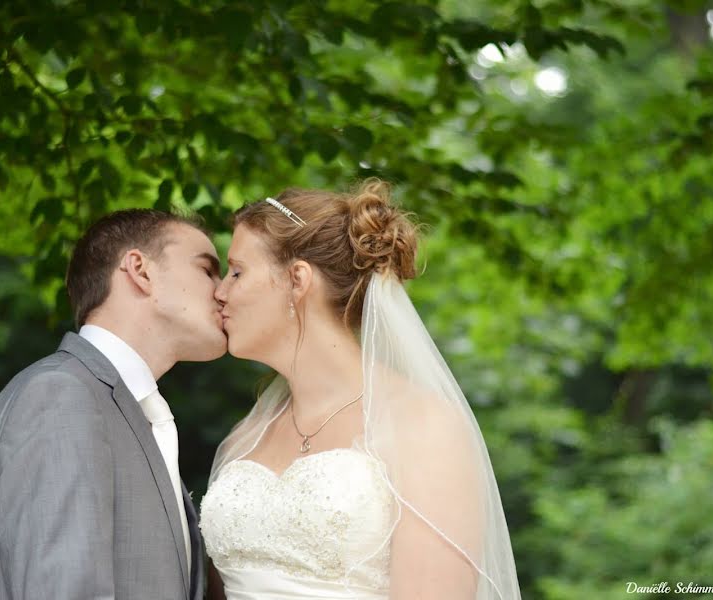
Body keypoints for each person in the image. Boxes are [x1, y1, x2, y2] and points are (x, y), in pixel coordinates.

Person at [200, 180, 521, 599]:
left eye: (237, 272)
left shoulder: (421, 424)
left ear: (298, 280)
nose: (220, 293)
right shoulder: (248, 435)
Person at [0, 209, 224, 599]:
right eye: (207, 270)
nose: (223, 291)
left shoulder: (122, 406)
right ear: (140, 270)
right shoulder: (60, 396)